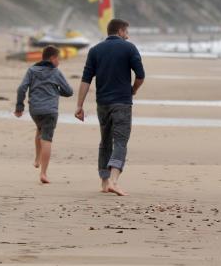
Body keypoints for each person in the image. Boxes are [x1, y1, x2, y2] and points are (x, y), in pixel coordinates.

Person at [75, 18, 145, 196]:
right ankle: (114, 181)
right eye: (126, 32)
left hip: (103, 103)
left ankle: (104, 182)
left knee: (105, 141)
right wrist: (133, 90)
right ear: (120, 31)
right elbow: (140, 75)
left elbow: (86, 79)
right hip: (122, 102)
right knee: (120, 141)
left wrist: (79, 105)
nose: (127, 36)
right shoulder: (129, 48)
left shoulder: (95, 50)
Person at [14, 45, 73, 184]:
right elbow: (69, 91)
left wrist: (19, 106)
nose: (59, 61)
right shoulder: (55, 72)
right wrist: (57, 91)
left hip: (35, 110)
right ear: (52, 58)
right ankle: (44, 173)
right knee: (46, 139)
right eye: (58, 58)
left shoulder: (32, 70)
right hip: (50, 110)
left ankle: (37, 159)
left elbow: (22, 88)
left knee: (40, 129)